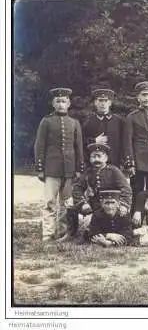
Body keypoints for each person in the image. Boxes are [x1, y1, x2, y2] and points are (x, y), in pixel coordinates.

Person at [34, 87, 84, 241]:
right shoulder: (46, 121)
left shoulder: (74, 123)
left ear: (68, 103)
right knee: (49, 201)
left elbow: (79, 147)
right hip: (51, 168)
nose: (61, 104)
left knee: (67, 203)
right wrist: (40, 168)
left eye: (64, 101)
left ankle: (64, 232)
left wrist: (79, 168)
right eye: (58, 101)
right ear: (53, 104)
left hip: (69, 170)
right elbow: (39, 145)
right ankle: (48, 233)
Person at [67, 143, 132, 241]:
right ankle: (70, 234)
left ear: (106, 158)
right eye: (93, 156)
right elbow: (77, 188)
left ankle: (95, 232)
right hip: (93, 207)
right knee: (70, 202)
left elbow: (126, 189)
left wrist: (123, 205)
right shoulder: (88, 172)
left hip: (110, 207)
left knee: (92, 224)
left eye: (99, 156)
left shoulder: (113, 171)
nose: (96, 159)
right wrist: (83, 203)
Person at [123, 81, 148, 209]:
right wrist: (130, 163)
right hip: (139, 161)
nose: (146, 98)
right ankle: (136, 223)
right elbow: (127, 141)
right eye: (143, 95)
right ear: (138, 97)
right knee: (137, 192)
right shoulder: (131, 117)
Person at [82, 88, 124, 167]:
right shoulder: (89, 122)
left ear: (110, 103)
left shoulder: (119, 121)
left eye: (106, 100)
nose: (103, 103)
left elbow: (125, 142)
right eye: (100, 100)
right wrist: (94, 140)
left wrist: (123, 161)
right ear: (95, 102)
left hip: (115, 163)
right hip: (96, 163)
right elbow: (81, 141)